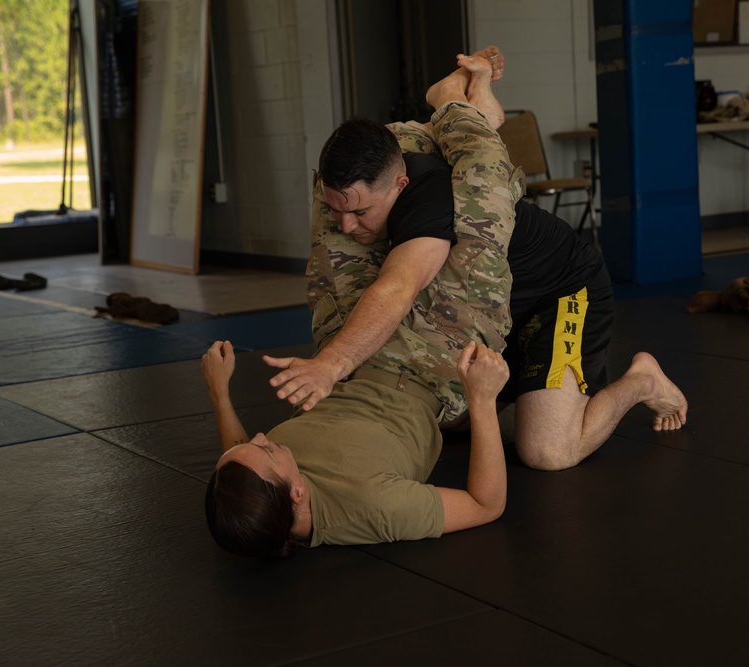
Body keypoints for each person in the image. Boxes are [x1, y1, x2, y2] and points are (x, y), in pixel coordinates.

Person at [264, 49, 687, 472]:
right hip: (495, 301)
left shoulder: (430, 206)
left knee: (547, 451)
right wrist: (468, 94)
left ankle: (642, 380)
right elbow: (480, 132)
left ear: (400, 184)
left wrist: (330, 364)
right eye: (336, 210)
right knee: (440, 408)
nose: (346, 225)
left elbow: (397, 289)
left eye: (359, 212)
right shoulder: (391, 161)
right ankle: (451, 92)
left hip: (559, 292)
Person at [204, 56, 522, 558]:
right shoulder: (375, 507)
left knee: (344, 181)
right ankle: (454, 105)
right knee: (486, 190)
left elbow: (237, 458)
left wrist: (221, 395)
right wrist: (481, 403)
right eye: (263, 448)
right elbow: (486, 505)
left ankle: (456, 115)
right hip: (431, 368)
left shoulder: (262, 494)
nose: (261, 435)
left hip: (347, 352)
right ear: (299, 494)